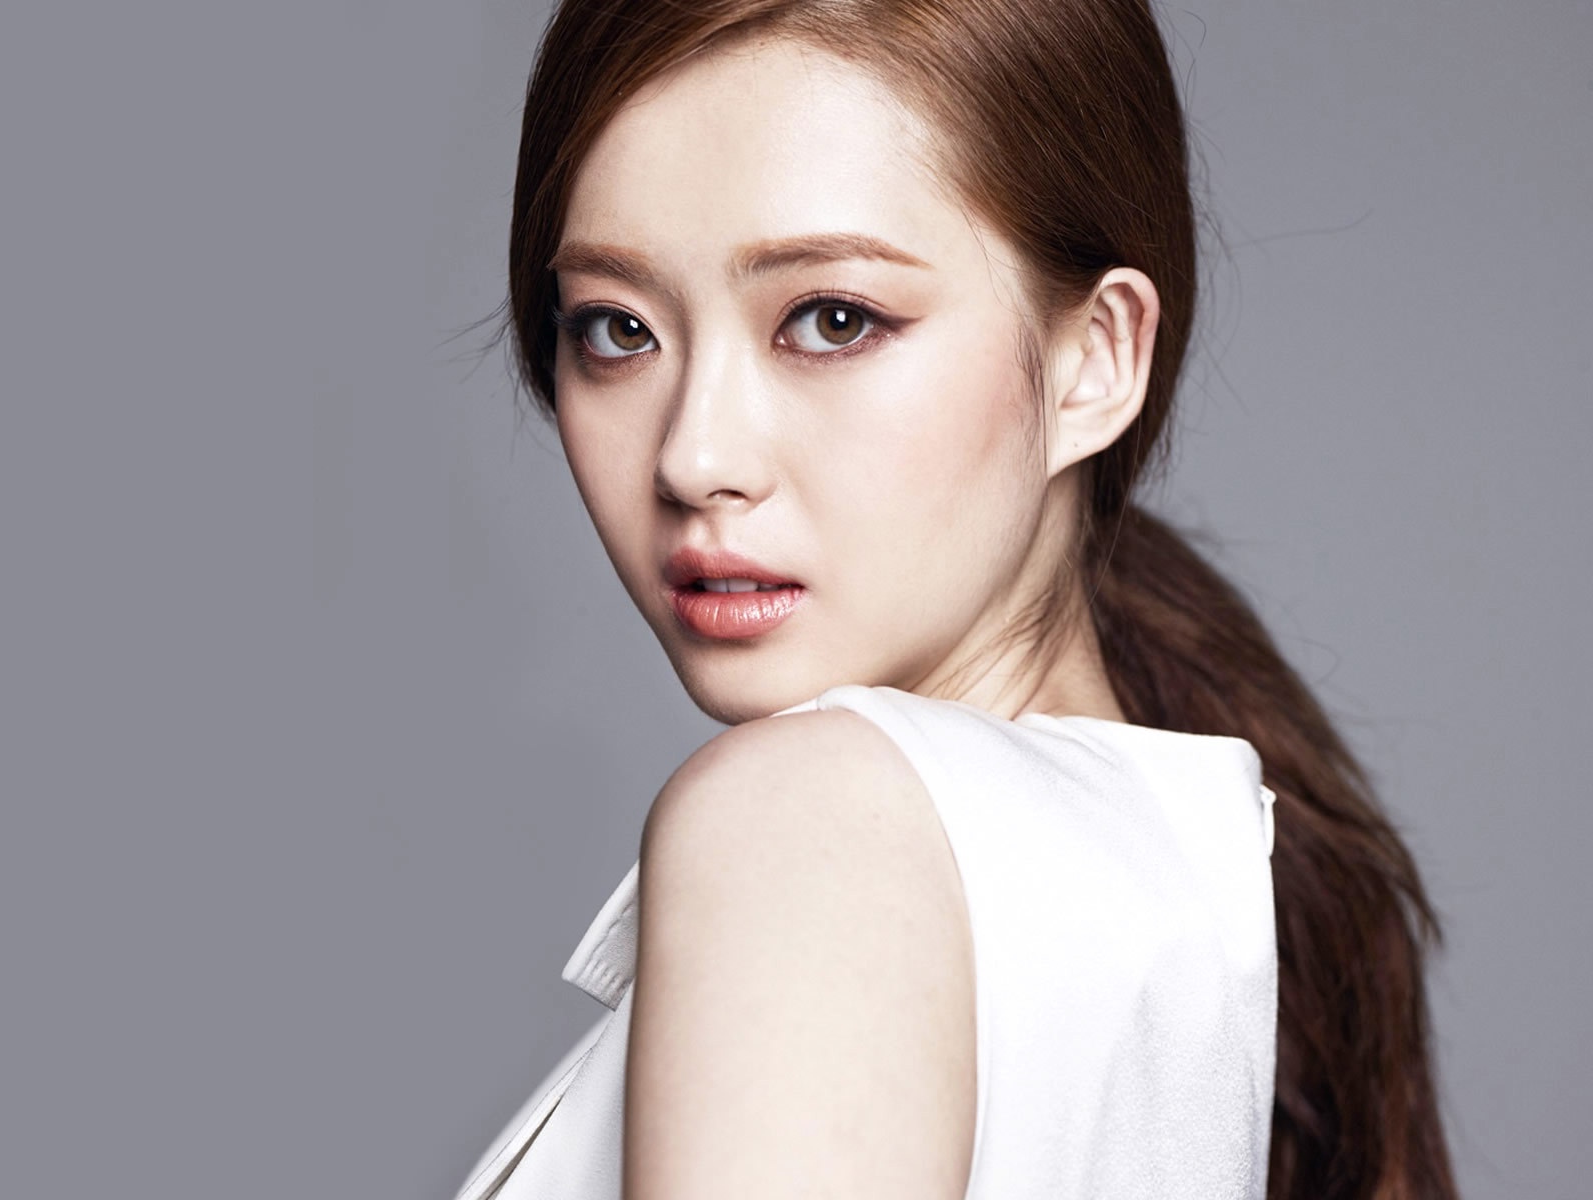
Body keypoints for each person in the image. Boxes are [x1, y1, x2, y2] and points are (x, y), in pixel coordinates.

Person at [454, 2, 1455, 1197]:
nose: (693, 456)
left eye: (832, 319)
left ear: (1095, 358)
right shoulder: (1172, 876)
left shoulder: (812, 821)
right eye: (617, 330)